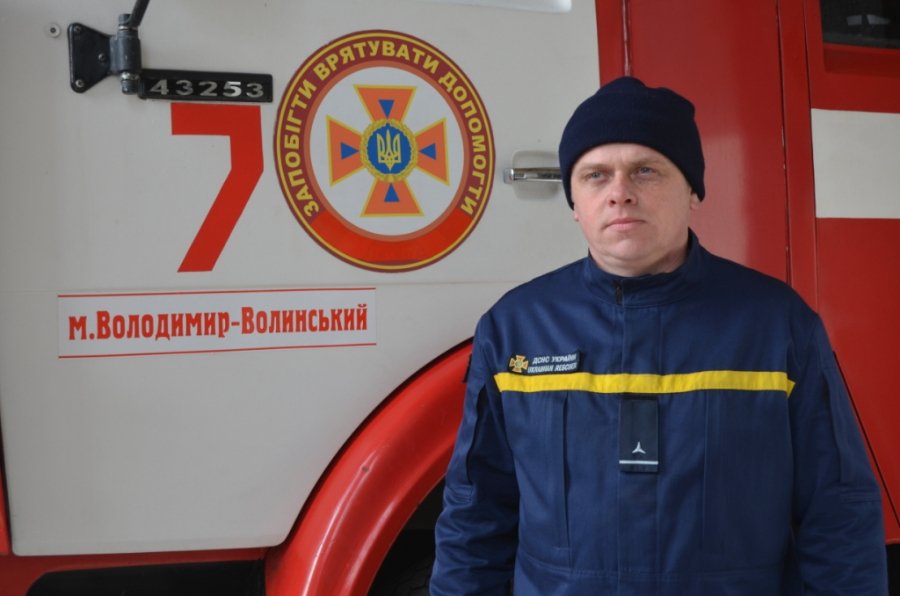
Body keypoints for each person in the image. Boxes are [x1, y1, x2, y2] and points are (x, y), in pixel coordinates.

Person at [429, 76, 887, 595]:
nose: (619, 193)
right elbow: (475, 516)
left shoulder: (777, 325)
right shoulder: (516, 328)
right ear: (574, 203)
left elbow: (839, 512)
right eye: (595, 175)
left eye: (645, 170)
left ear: (692, 190)